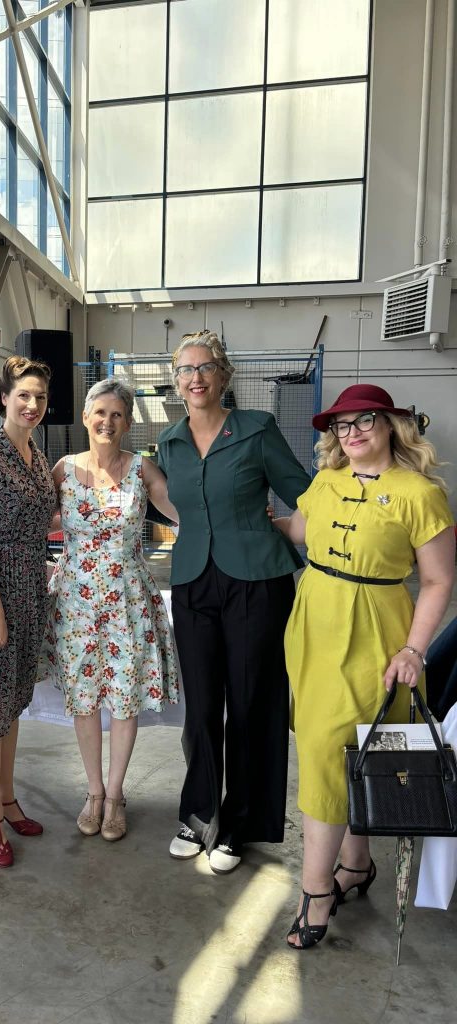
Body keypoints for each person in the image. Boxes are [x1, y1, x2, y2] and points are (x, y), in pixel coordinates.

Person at [275, 384, 454, 949]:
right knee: (339, 746)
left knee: (331, 754)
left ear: (392, 426)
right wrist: (242, 519)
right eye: (342, 425)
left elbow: (438, 580)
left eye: (365, 421)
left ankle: (316, 892)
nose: (351, 433)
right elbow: (298, 533)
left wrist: (413, 650)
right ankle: (355, 865)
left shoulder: (419, 493)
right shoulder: (324, 482)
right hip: (313, 622)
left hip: (378, 632)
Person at [157, 330, 311, 872]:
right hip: (194, 582)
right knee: (200, 707)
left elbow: (306, 492)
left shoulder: (257, 429)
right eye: (184, 369)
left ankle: (240, 821)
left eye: (204, 367)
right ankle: (198, 812)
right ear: (176, 382)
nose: (194, 377)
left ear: (224, 377)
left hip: (256, 581)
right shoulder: (168, 443)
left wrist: (299, 528)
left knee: (250, 705)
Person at [40, 378, 180, 841]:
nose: (107, 421)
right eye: (99, 412)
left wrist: (238, 515)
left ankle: (116, 794)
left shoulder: (143, 470)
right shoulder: (63, 469)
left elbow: (181, 511)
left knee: (123, 698)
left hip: (128, 600)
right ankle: (94, 791)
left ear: (129, 422)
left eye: (117, 414)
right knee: (84, 699)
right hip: (76, 602)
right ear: (85, 417)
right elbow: (33, 516)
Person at [0, 355, 57, 867]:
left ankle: (7, 796)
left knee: (15, 702)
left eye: (40, 397)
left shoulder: (37, 458)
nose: (32, 404)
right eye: (23, 395)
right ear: (1, 398)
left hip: (31, 592)